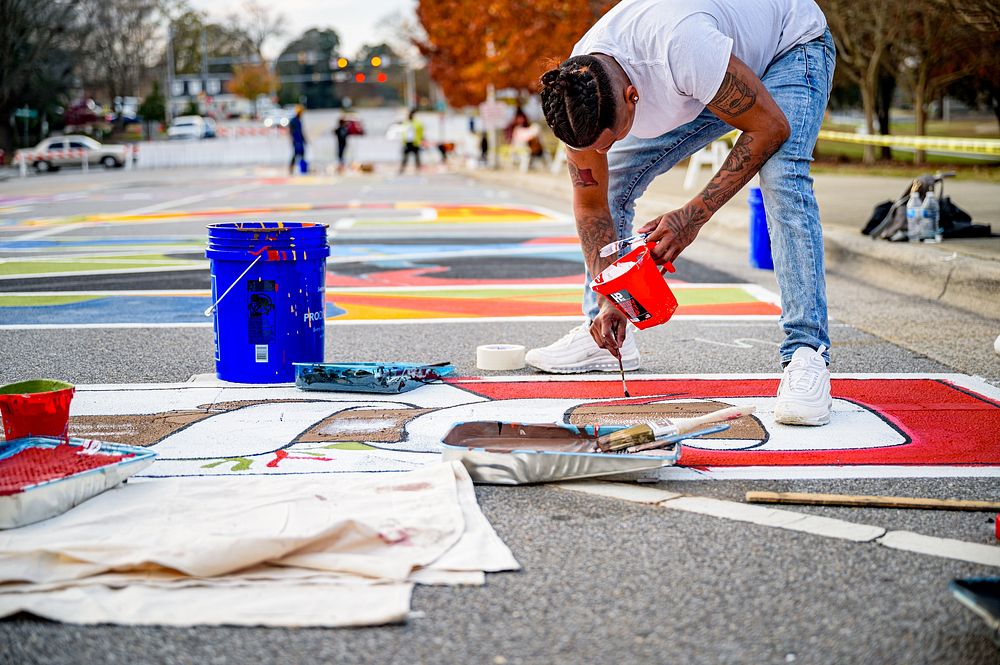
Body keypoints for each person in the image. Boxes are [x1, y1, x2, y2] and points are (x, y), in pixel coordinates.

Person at [530, 0, 836, 426]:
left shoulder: (682, 45)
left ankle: (807, 353)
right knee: (612, 179)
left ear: (632, 96)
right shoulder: (578, 89)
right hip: (707, 73)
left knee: (782, 175)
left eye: (610, 139)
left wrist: (693, 215)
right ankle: (605, 334)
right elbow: (591, 204)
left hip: (788, 47)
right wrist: (615, 294)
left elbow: (770, 127)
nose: (603, 151)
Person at [399, 109, 424, 174]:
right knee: (405, 157)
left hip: (414, 142)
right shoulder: (405, 123)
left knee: (417, 157)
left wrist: (421, 139)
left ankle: (418, 169)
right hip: (407, 142)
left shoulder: (417, 123)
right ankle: (402, 169)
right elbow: (403, 132)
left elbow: (421, 132)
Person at [288, 105, 306, 175]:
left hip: (300, 140)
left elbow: (301, 132)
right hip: (296, 141)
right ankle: (291, 168)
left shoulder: (299, 120)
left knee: (302, 154)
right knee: (295, 155)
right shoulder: (293, 120)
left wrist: (304, 140)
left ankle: (303, 169)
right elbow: (291, 131)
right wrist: (293, 139)